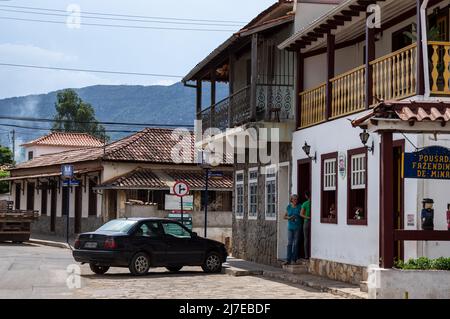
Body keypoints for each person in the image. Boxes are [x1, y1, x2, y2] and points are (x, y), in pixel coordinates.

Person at [283, 194, 302, 265]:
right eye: (294, 199)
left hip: (297, 227)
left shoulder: (300, 206)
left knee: (296, 243)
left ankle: (294, 259)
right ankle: (288, 259)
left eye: (296, 199)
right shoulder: (289, 207)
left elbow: (302, 214)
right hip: (290, 227)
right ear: (291, 200)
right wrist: (289, 218)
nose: (295, 201)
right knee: (289, 243)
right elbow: (284, 216)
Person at [300, 191, 311, 260]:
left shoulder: (305, 203)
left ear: (306, 196)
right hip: (309, 222)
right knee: (308, 238)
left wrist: (307, 218)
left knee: (306, 239)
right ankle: (308, 255)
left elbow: (301, 214)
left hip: (307, 222)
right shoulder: (308, 203)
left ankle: (306, 255)